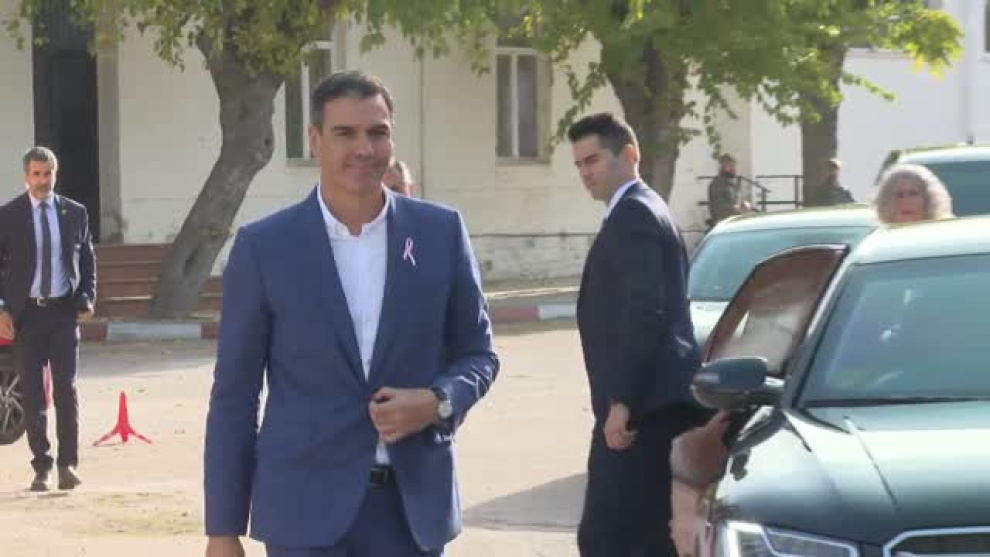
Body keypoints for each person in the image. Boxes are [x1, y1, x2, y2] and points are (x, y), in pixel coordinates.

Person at [203, 70, 499, 557]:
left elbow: (479, 354)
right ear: (315, 139)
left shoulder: (439, 232)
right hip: (301, 515)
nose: (364, 148)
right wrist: (223, 529)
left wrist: (438, 402)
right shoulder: (266, 246)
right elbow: (235, 392)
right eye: (346, 133)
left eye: (377, 132)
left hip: (410, 515)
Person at [568, 112, 710, 556]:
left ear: (629, 154)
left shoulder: (634, 214)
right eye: (579, 164)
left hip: (643, 413)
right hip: (648, 408)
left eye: (593, 160)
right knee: (639, 535)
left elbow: (644, 314)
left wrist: (622, 402)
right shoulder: (644, 209)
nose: (585, 173)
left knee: (609, 538)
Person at [0, 146, 96, 492]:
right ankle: (41, 466)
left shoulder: (75, 212)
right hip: (25, 316)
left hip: (62, 313)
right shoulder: (8, 215)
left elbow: (87, 261)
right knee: (33, 393)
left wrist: (87, 297)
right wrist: (2, 308)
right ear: (26, 176)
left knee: (66, 389)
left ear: (56, 174)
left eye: (48, 173)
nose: (43, 180)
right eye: (37, 174)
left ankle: (68, 465)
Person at [873, 163, 954, 224]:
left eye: (913, 194)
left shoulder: (945, 232)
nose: (906, 201)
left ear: (928, 198)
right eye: (899, 195)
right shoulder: (878, 238)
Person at [706, 154, 750, 225]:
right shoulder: (718, 184)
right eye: (730, 166)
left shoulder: (732, 184)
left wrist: (746, 205)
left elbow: (742, 201)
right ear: (722, 168)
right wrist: (740, 209)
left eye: (734, 166)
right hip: (724, 222)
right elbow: (722, 207)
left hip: (735, 219)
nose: (734, 169)